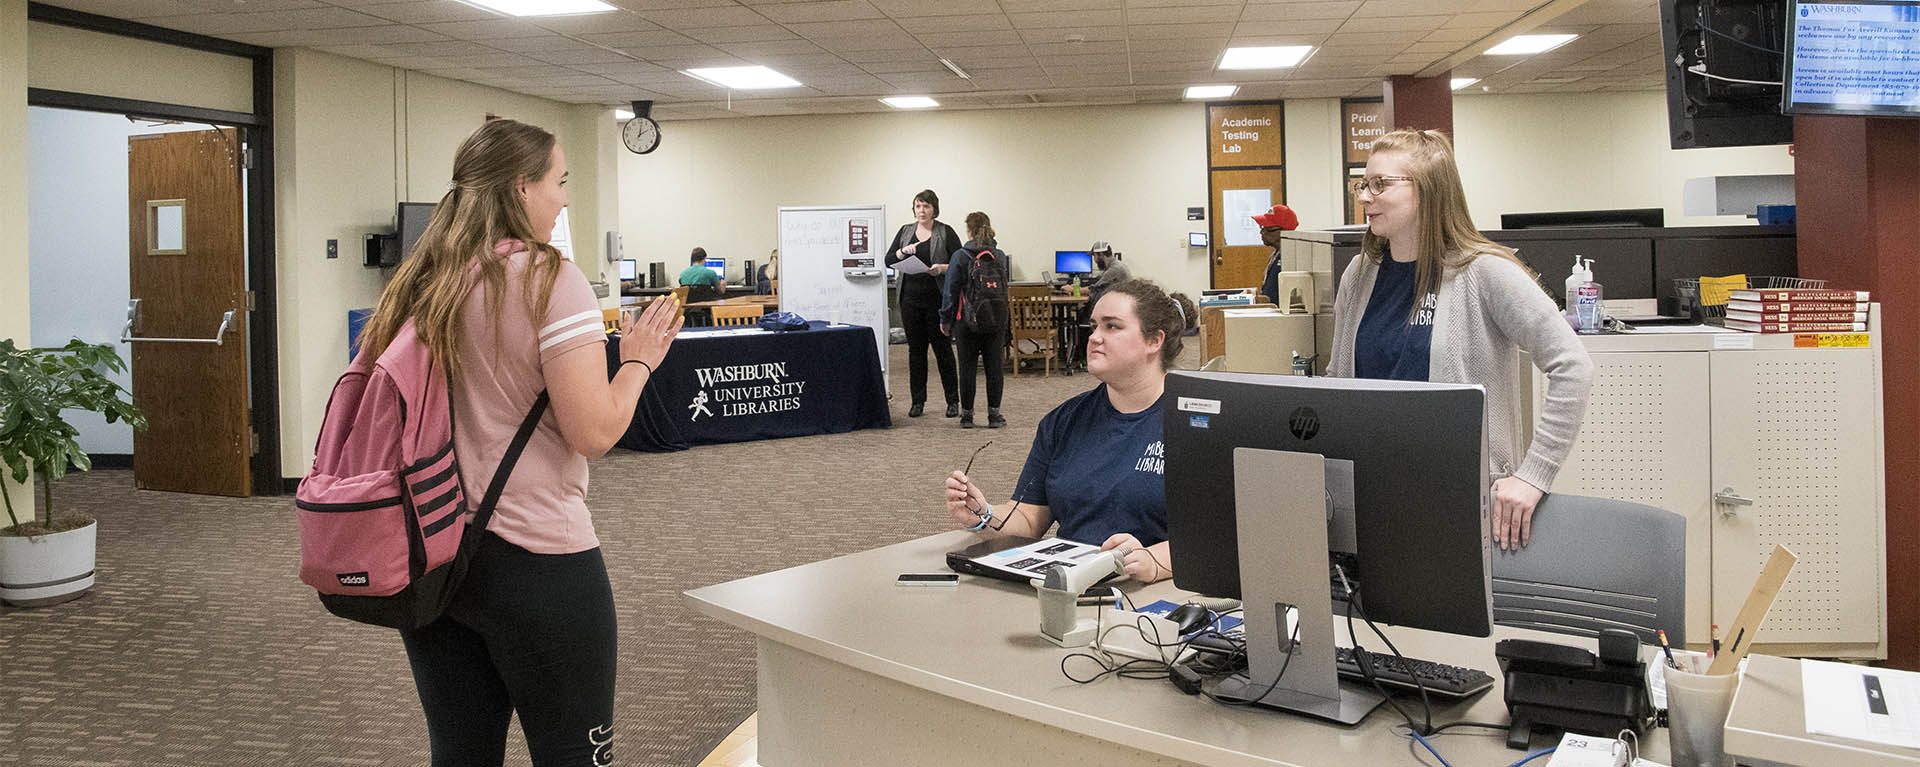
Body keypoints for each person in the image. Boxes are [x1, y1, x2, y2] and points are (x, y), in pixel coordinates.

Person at [354, 118, 683, 766]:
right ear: (520, 187)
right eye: (558, 181)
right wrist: (638, 361)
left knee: (460, 753)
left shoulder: (425, 279)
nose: (564, 198)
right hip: (540, 565)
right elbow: (593, 431)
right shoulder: (549, 281)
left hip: (436, 556)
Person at [1328, 128, 1593, 551]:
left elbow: (1573, 367)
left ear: (1428, 192)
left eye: (1380, 184)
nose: (1364, 196)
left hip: (1458, 501)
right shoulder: (1359, 275)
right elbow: (1338, 382)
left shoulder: (1484, 272)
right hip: (1369, 496)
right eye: (1364, 184)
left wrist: (1533, 476)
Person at [944, 279, 1197, 584]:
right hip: (1073, 587)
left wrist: (1155, 561)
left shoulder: (1195, 421)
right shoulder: (1064, 421)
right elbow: (1027, 519)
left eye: (1112, 327)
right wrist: (984, 514)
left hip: (1160, 591)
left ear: (1154, 341)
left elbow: (1224, 533)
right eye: (1094, 327)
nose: (1095, 338)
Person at [883, 189, 961, 418]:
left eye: (926, 206)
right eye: (918, 206)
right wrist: (900, 253)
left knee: (943, 351)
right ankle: (918, 401)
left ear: (934, 209)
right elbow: (889, 259)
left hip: (937, 301)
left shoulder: (945, 232)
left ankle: (953, 401)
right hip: (910, 300)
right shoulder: (906, 231)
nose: (922, 210)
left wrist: (942, 268)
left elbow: (960, 263)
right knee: (915, 352)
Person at [941, 211, 1009, 429]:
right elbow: (1004, 291)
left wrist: (946, 319)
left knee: (967, 368)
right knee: (994, 368)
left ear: (968, 231)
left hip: (967, 320)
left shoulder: (960, 256)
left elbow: (950, 291)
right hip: (996, 320)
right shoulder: (999, 256)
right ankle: (994, 416)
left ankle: (967, 417)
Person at [1252, 204, 1301, 307]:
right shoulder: (1276, 255)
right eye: (1262, 227)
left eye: (1267, 228)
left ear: (1283, 232)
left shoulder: (1291, 258)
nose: (1262, 232)